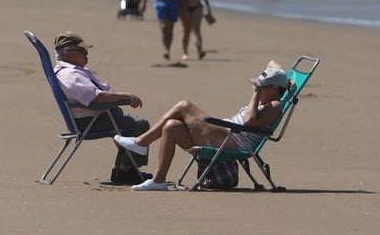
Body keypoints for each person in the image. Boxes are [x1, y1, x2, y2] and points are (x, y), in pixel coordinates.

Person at [114, 63, 292, 191]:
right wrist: (288, 81)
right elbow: (272, 63)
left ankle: (141, 143)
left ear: (274, 89)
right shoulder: (271, 95)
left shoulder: (275, 105)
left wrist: (256, 94)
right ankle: (158, 180)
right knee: (172, 126)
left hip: (234, 141)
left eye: (262, 86)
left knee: (184, 105)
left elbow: (248, 122)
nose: (257, 88)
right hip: (225, 134)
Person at [52, 32, 151, 183]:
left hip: (97, 116)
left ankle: (125, 170)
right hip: (91, 121)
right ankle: (126, 171)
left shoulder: (73, 71)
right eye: (82, 51)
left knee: (128, 125)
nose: (86, 54)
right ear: (68, 53)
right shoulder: (69, 75)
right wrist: (126, 97)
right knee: (140, 125)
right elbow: (96, 97)